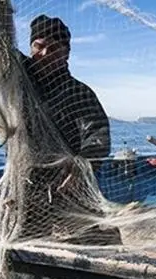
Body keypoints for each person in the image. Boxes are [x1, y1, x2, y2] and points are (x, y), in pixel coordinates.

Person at [22, 14, 111, 172]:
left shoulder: (79, 93)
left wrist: (82, 167)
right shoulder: (16, 76)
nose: (44, 53)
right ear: (31, 47)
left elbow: (98, 137)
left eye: (54, 48)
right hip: (22, 174)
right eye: (39, 46)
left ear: (66, 54)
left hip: (63, 181)